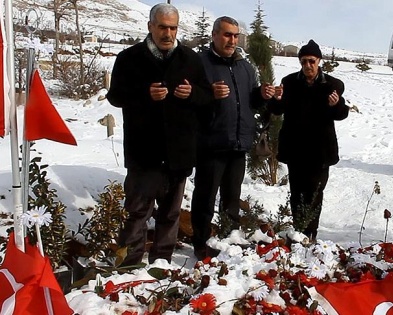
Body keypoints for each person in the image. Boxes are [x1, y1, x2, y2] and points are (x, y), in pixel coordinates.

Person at [106, 3, 213, 266]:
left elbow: (207, 96)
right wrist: (145, 94)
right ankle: (130, 264)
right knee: (136, 212)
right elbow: (115, 96)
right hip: (144, 152)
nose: (168, 33)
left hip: (179, 152)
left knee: (170, 213)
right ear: (150, 26)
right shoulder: (129, 58)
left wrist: (193, 94)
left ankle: (161, 263)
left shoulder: (190, 58)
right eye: (163, 27)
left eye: (173, 28)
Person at [190, 16, 276, 260]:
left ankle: (230, 238)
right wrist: (208, 93)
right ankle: (201, 242)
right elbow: (190, 98)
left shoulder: (244, 67)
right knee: (205, 197)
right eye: (227, 35)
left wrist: (262, 94)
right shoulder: (200, 64)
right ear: (214, 35)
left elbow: (252, 103)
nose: (232, 40)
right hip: (211, 142)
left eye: (236, 36)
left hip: (239, 143)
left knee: (232, 197)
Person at [267, 40, 349, 241]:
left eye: (311, 61)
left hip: (320, 150)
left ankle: (310, 234)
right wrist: (275, 99)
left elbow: (342, 114)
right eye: (303, 61)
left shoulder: (333, 85)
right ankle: (298, 231)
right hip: (296, 149)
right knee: (296, 193)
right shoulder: (289, 82)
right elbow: (277, 110)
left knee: (314, 194)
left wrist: (335, 105)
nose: (307, 66)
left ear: (319, 61)